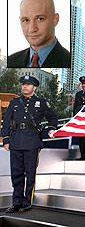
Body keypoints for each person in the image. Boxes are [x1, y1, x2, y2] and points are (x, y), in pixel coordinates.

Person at [1, 75, 58, 213]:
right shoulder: (14, 102)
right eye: (23, 84)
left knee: (30, 173)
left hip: (32, 141)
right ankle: (16, 203)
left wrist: (51, 129)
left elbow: (53, 118)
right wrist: (6, 140)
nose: (24, 87)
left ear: (34, 87)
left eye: (27, 84)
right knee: (16, 174)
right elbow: (7, 122)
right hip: (16, 141)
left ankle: (27, 202)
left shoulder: (41, 102)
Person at [7, 0, 70, 68]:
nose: (32, 29)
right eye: (26, 20)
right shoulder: (10, 61)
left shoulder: (68, 61)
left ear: (55, 19)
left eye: (40, 19)